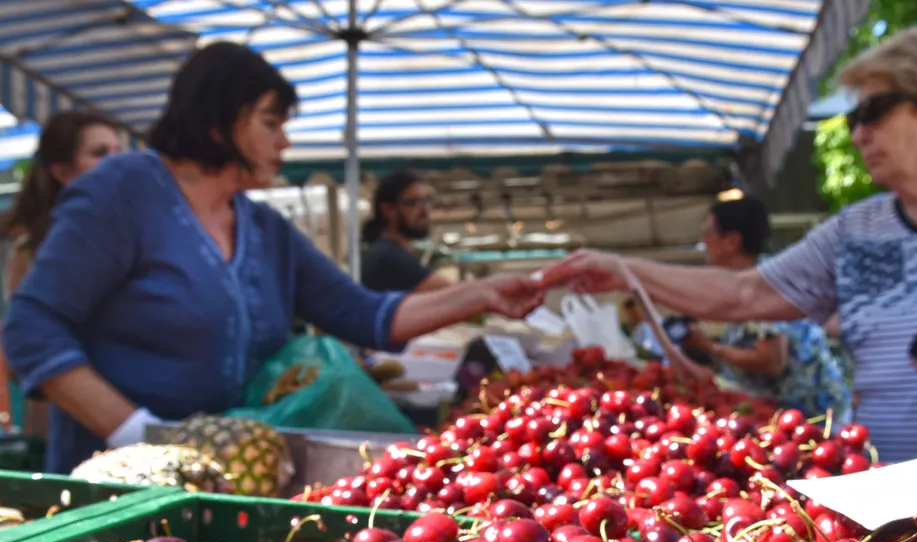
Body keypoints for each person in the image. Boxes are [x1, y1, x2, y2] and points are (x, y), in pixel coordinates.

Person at [539, 27, 917, 463]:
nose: (857, 134)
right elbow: (743, 293)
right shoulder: (855, 227)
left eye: (875, 112)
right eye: (851, 119)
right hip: (889, 510)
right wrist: (626, 271)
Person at [1, 42, 543, 476]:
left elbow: (366, 315)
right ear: (218, 122)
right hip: (113, 479)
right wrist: (139, 433)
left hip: (225, 475)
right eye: (271, 122)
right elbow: (30, 326)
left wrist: (484, 293)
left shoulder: (264, 230)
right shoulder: (121, 195)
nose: (285, 141)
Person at [1, 111, 123, 433]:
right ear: (62, 171)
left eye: (117, 152)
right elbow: (23, 345)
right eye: (99, 153)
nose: (114, 162)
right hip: (68, 419)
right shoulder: (33, 250)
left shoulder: (135, 235)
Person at [683, 196, 854, 423]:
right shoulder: (753, 279)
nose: (703, 241)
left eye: (709, 234)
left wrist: (710, 347)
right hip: (797, 416)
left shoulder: (762, 285)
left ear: (732, 242)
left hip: (814, 418)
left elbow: (771, 360)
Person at [359, 170, 448, 293]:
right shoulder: (388, 257)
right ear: (388, 210)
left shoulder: (383, 250)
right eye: (414, 203)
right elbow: (453, 295)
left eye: (427, 201)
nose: (425, 211)